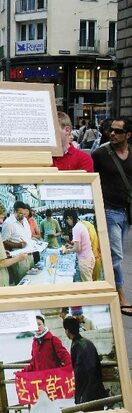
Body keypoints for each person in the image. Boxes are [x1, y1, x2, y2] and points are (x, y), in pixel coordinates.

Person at [92, 117, 132, 316]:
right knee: (116, 254)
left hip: (127, 212)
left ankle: (104, 286)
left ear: (128, 135)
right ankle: (120, 294)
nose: (113, 134)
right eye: (111, 130)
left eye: (118, 131)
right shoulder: (100, 154)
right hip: (108, 210)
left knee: (114, 253)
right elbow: (88, 177)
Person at [63, 316, 107, 408]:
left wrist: (78, 397)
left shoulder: (76, 346)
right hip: (98, 389)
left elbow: (80, 374)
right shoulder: (87, 342)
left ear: (67, 331)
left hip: (88, 393)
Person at [2, 201, 33, 283]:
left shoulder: (25, 220)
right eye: (20, 213)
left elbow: (27, 236)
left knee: (32, 280)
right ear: (14, 211)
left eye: (24, 213)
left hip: (30, 254)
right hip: (19, 257)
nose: (22, 216)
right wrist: (18, 245)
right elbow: (3, 241)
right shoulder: (8, 223)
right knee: (22, 281)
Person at [63, 209, 95, 283]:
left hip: (85, 260)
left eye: (66, 220)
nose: (67, 222)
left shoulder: (76, 228)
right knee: (89, 281)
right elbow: (80, 244)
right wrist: (71, 246)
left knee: (88, 285)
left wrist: (67, 251)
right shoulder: (80, 225)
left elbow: (77, 249)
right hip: (89, 257)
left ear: (69, 218)